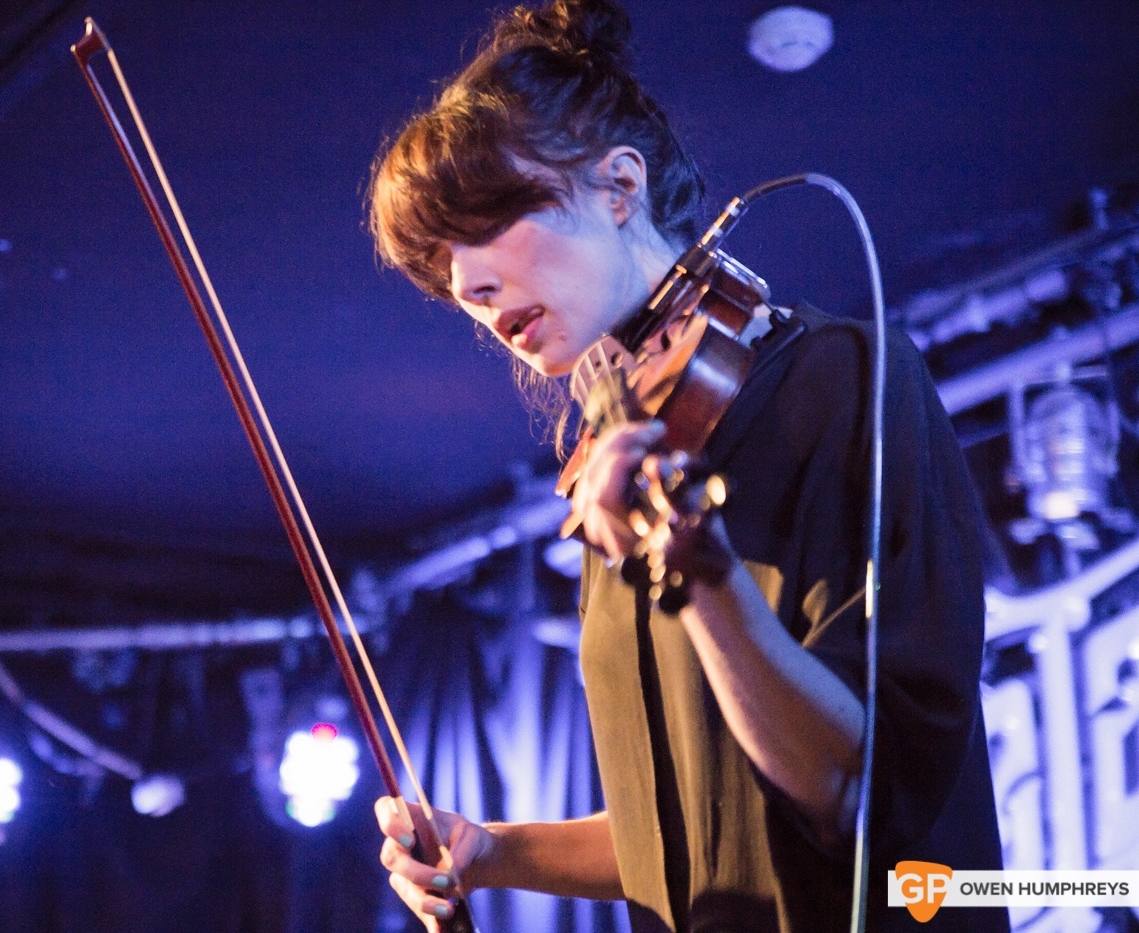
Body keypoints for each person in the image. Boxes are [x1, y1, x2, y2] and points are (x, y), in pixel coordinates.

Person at [367, 1, 1008, 930]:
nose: (466, 288)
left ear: (618, 187)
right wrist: (496, 851)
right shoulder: (616, 469)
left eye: (490, 221)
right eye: (444, 264)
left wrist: (698, 570)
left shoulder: (842, 379)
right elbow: (691, 833)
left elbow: (856, 793)